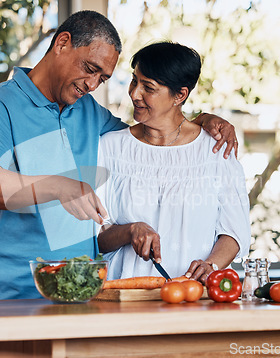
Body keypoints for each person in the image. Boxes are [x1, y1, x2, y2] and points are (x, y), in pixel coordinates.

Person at [0, 10, 238, 300]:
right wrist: (60, 186)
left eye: (102, 78)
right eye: (89, 67)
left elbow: (151, 136)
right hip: (9, 294)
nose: (92, 85)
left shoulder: (88, 112)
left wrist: (202, 121)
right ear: (62, 43)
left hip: (79, 293)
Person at [96, 42, 251, 284]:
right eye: (134, 81)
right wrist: (130, 230)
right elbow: (96, 237)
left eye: (149, 87)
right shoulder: (109, 147)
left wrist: (212, 265)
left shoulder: (216, 149)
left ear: (180, 95)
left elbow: (234, 231)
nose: (135, 93)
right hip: (124, 296)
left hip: (193, 296)